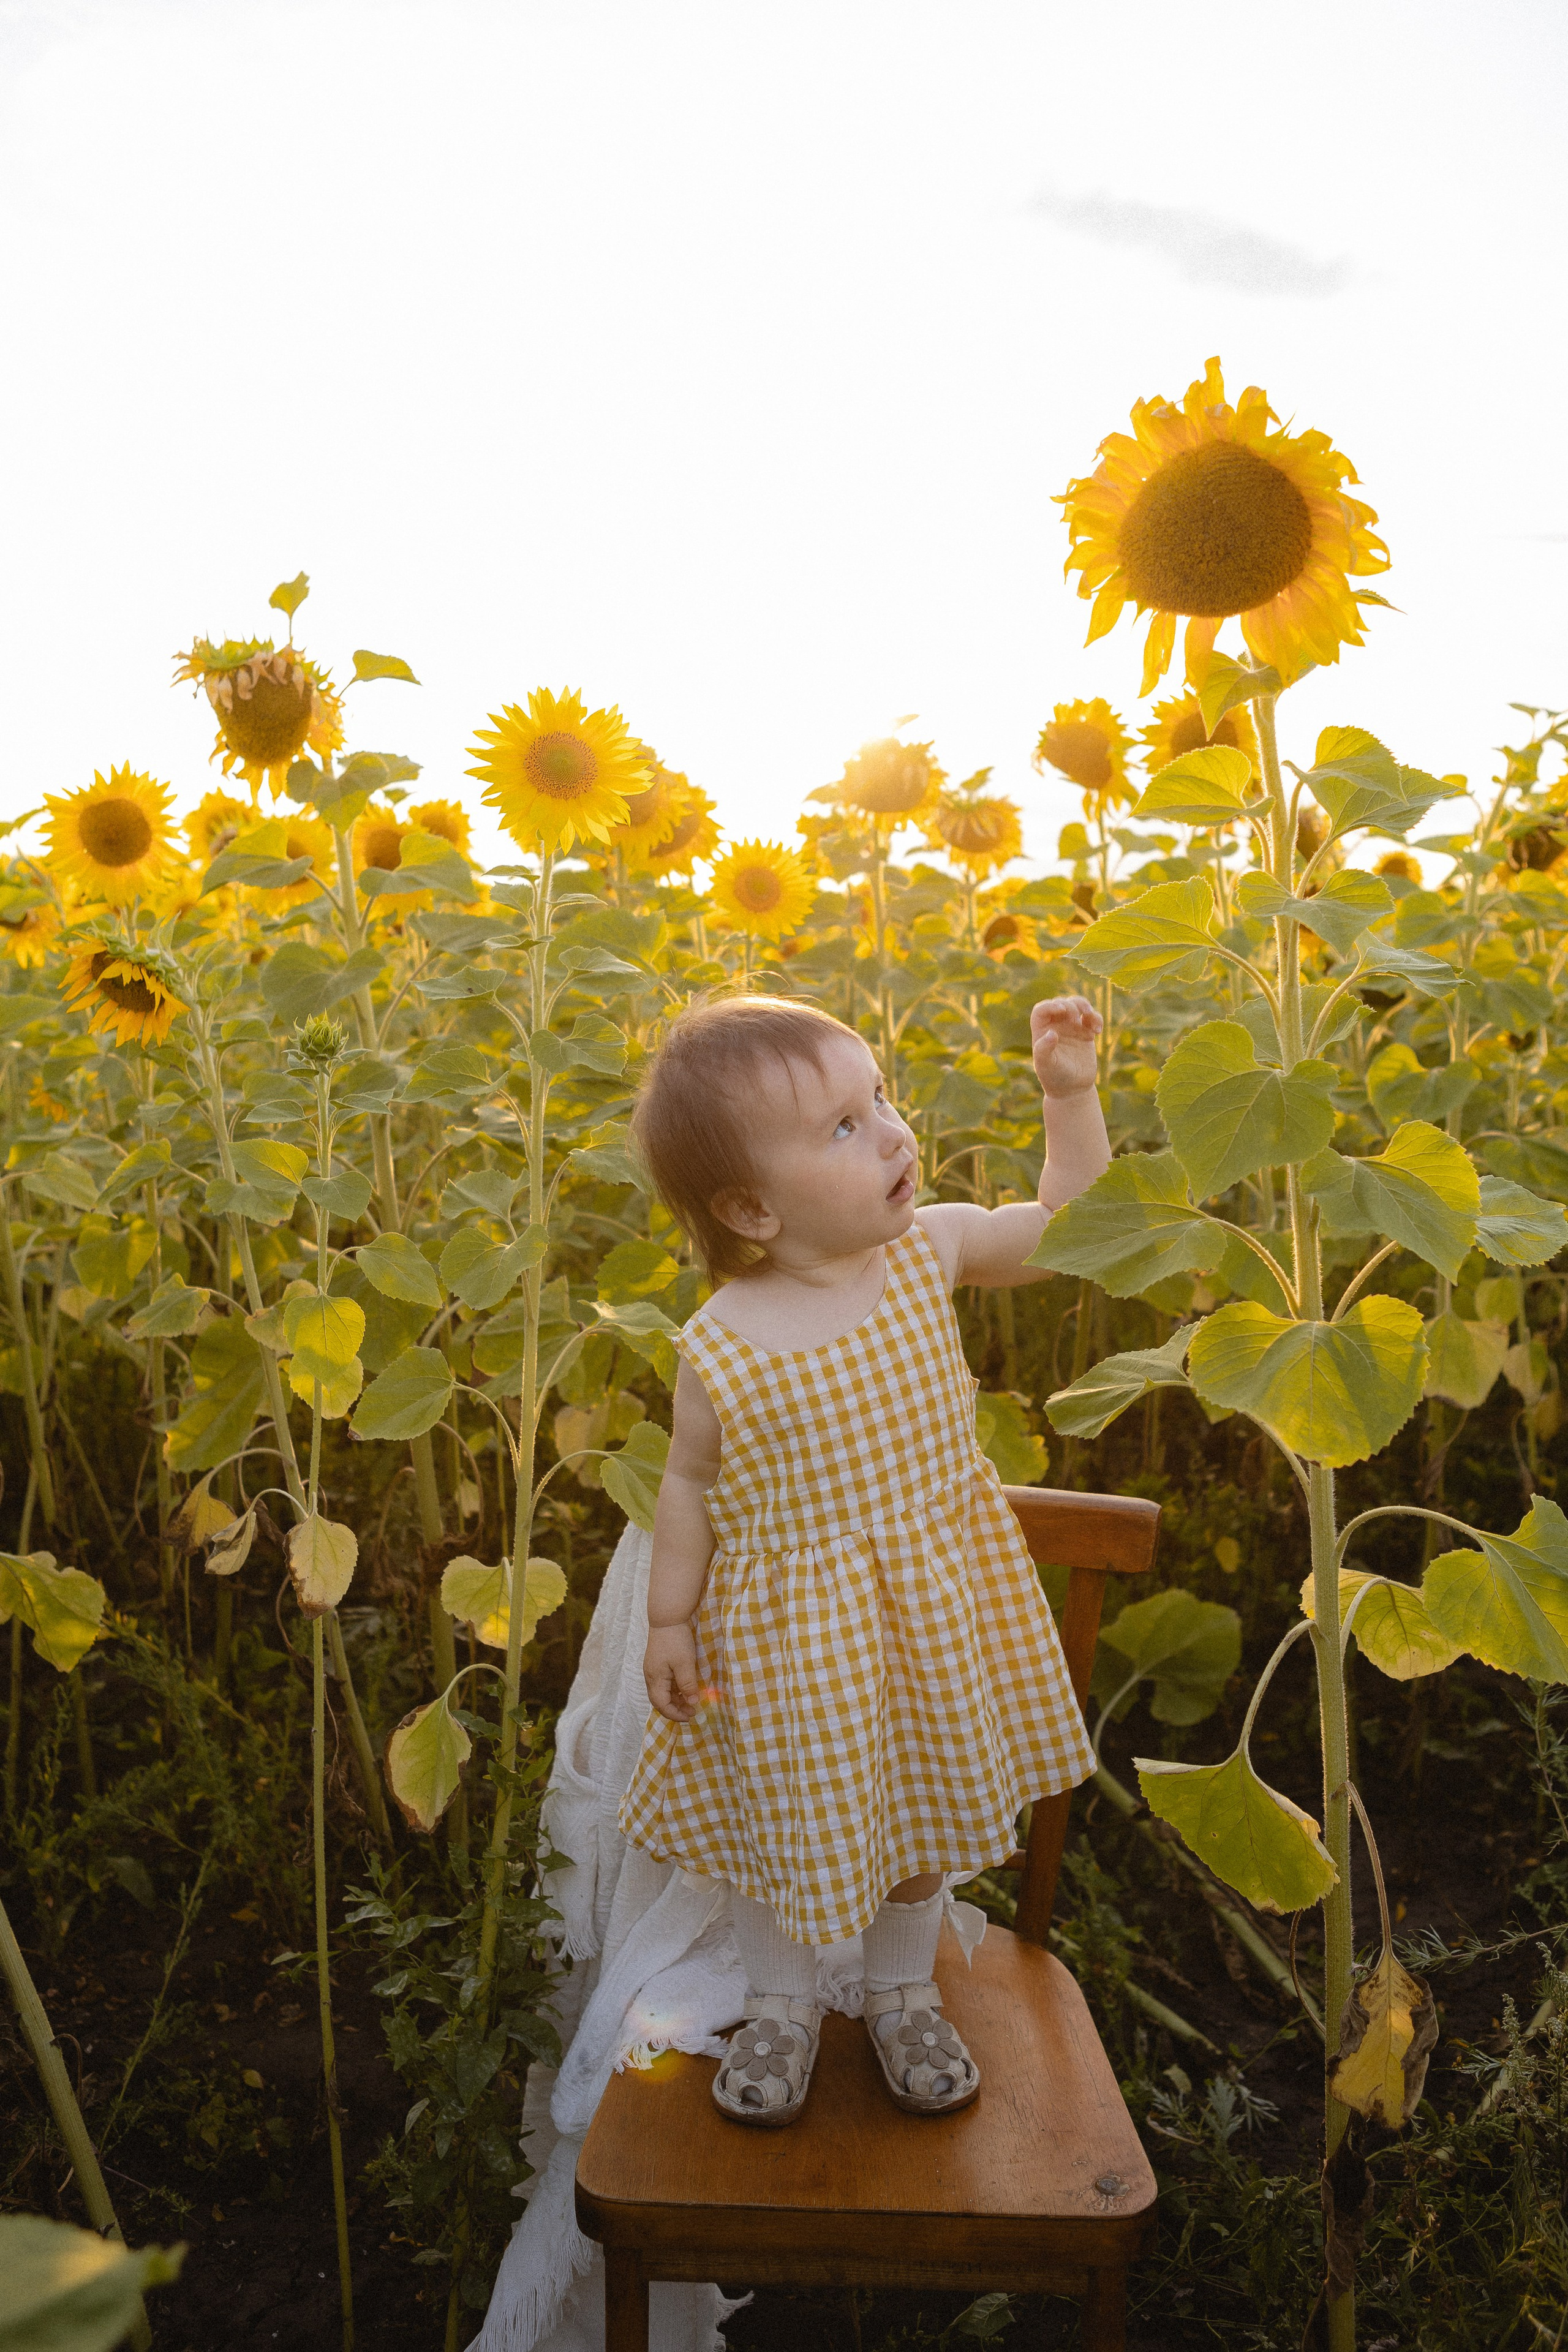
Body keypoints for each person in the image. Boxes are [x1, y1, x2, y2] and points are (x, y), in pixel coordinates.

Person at [616, 991, 1108, 2124]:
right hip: (793, 1642)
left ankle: (899, 1988)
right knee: (779, 1826)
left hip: (930, 1620)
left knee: (922, 1818)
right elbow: (687, 1486)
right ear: (748, 1207)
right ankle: (782, 2004)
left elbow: (1070, 1227)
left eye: (878, 1097)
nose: (893, 1130)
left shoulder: (930, 1250)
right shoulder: (726, 1342)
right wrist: (669, 1623)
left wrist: (1067, 1095)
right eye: (843, 1126)